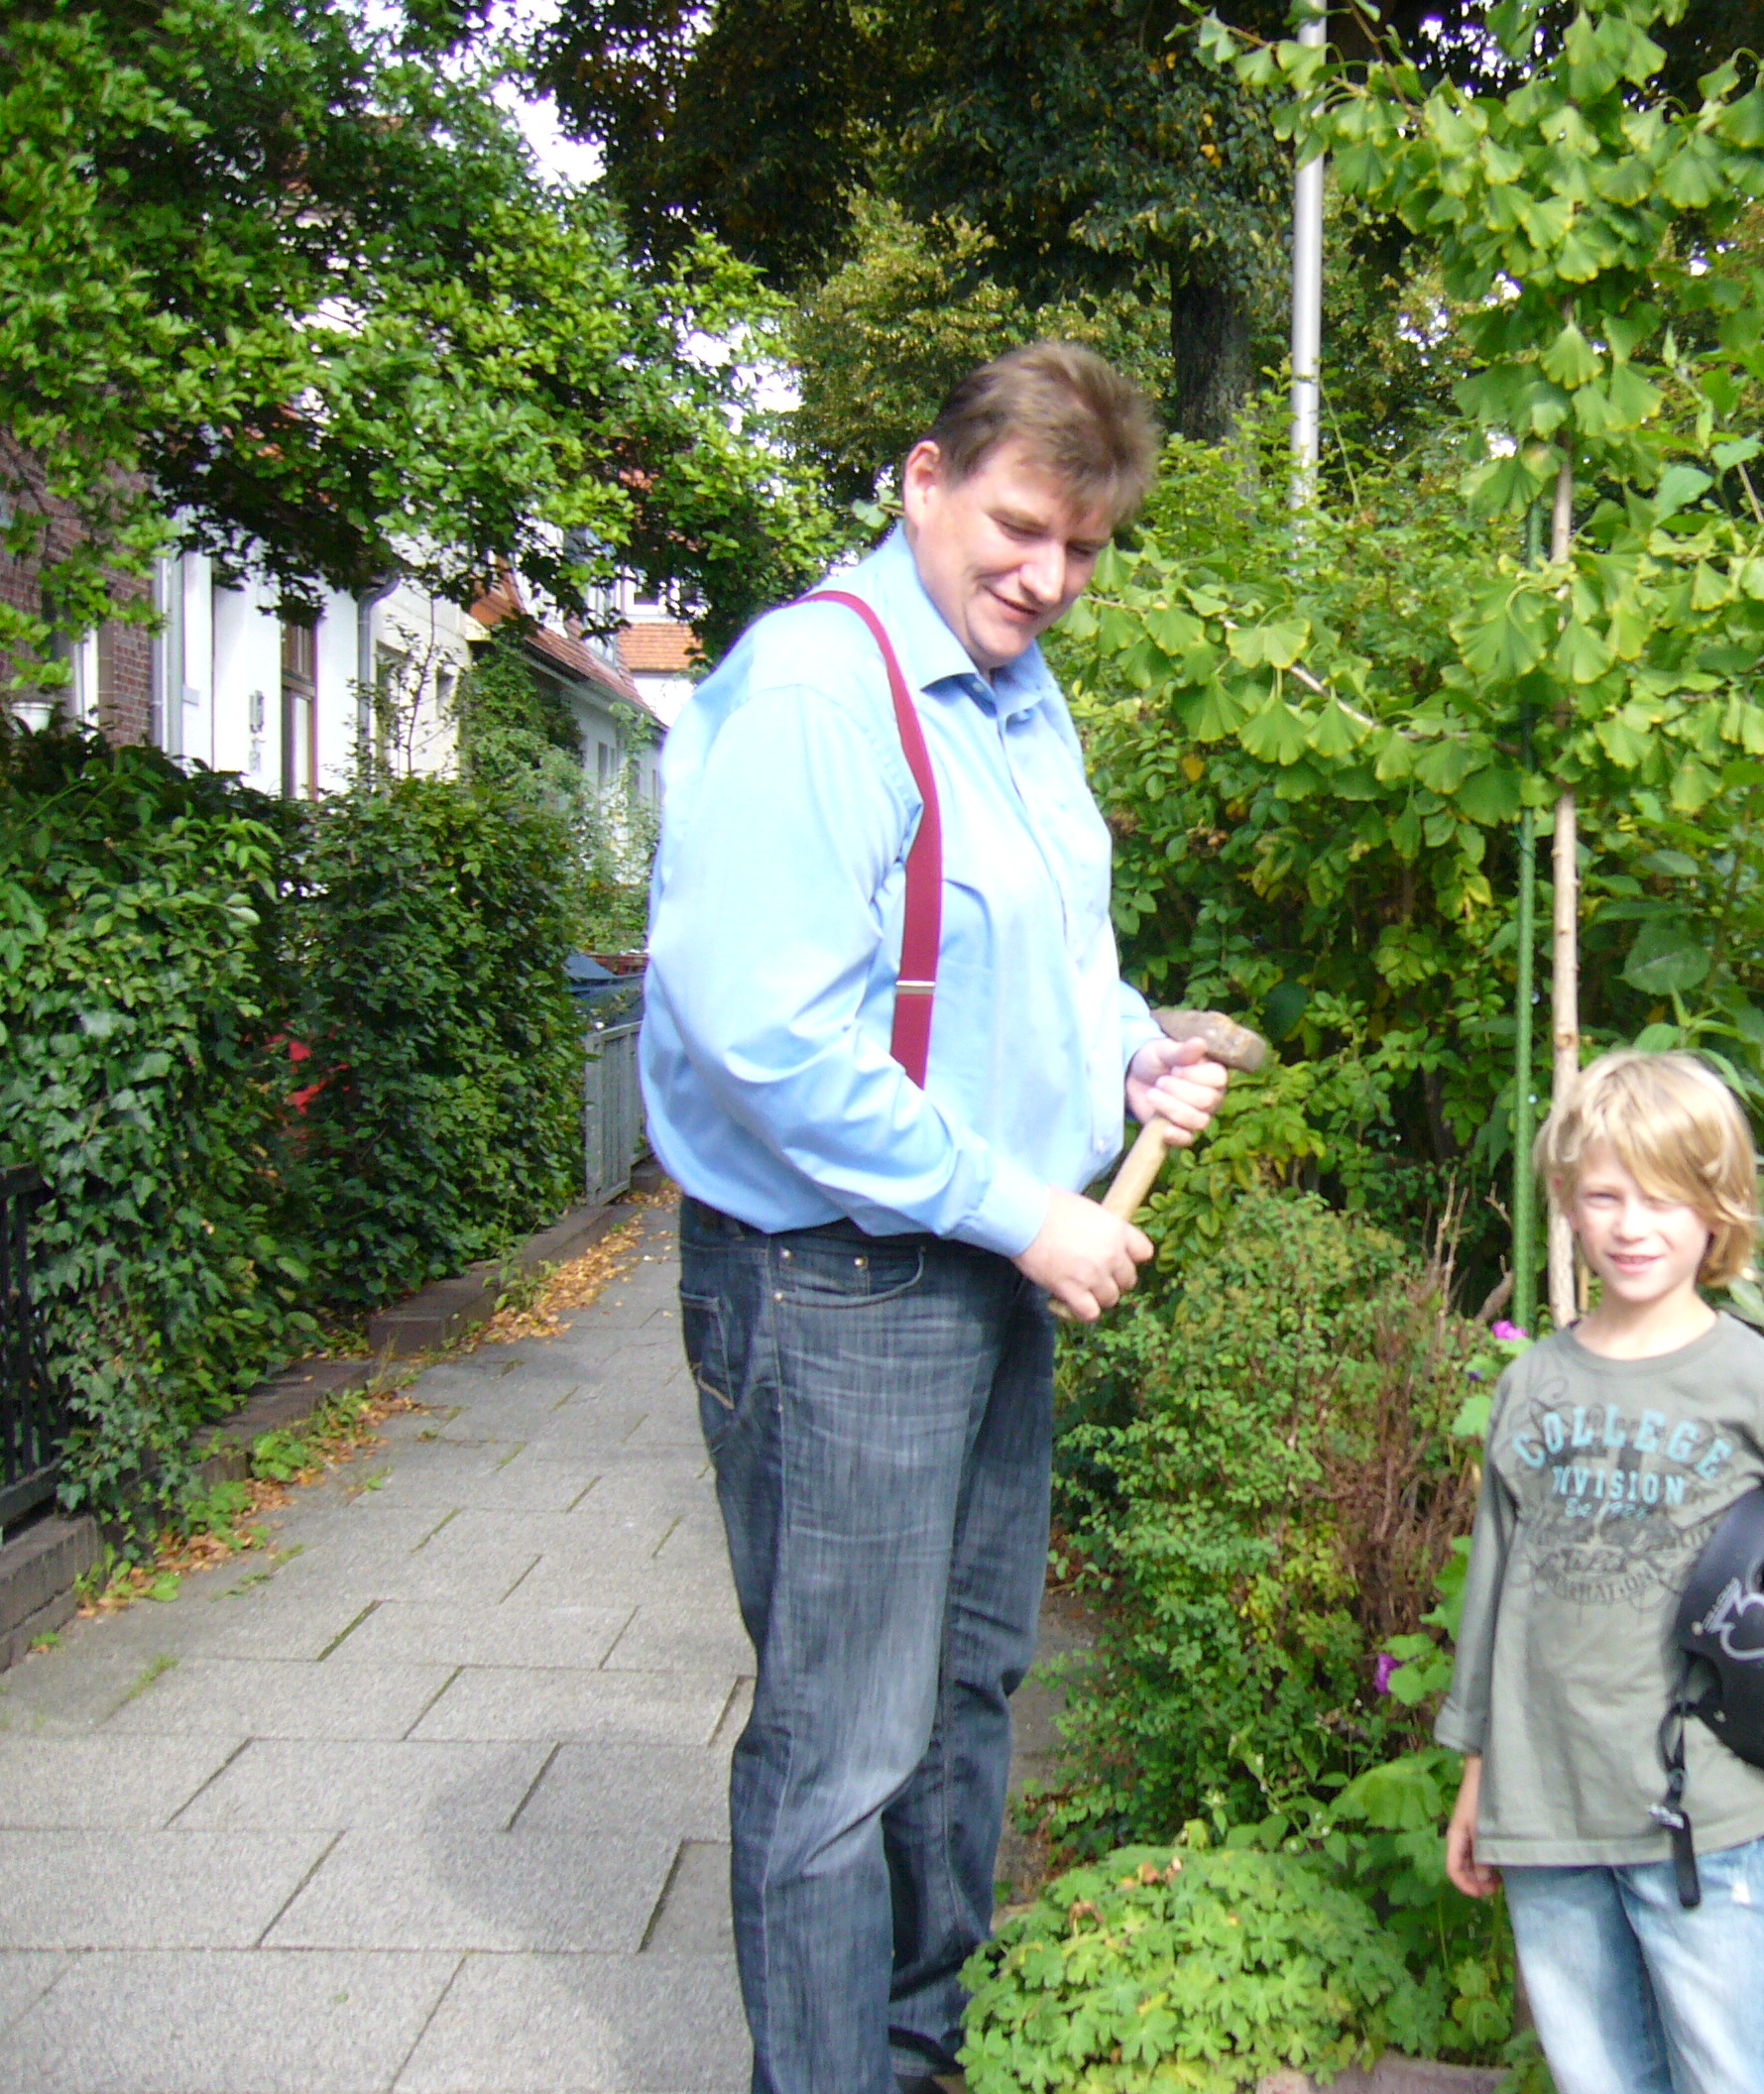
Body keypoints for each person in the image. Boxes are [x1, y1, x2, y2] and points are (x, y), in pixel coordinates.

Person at [642, 342, 1227, 2094]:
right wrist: (1027, 1210)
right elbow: (765, 1036)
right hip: (838, 1289)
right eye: (1024, 528)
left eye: (1087, 550)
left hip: (978, 1265)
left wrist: (1134, 1053)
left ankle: (921, 2048)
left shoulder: (1016, 688)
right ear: (923, 479)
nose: (1049, 578)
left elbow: (1046, 943)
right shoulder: (825, 689)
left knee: (969, 1695)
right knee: (842, 1749)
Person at [1438, 1049, 1764, 2094]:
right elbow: (1495, 1592)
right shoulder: (1531, 1386)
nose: (1631, 1225)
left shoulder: (1753, 1383)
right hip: (1545, 1808)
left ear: (1717, 1211)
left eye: (1665, 1198)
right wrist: (1475, 1775)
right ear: (1568, 1203)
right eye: (1604, 1196)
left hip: (1698, 1816)